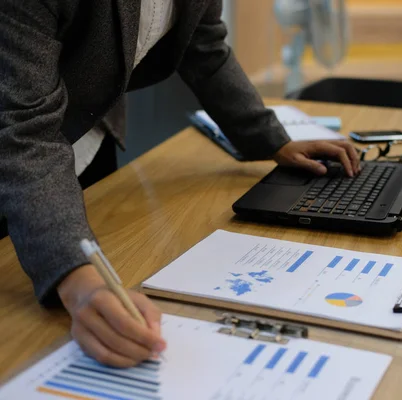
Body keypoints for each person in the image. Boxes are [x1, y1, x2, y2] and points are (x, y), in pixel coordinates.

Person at [0, 0, 359, 368]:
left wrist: (272, 139)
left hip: (87, 136)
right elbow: (23, 137)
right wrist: (76, 280)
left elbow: (204, 45)